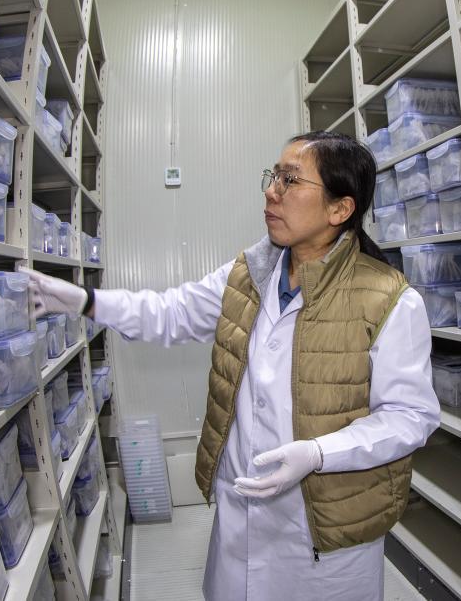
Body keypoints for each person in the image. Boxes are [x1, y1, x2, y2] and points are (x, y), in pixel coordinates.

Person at [22, 131, 440, 601]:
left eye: (290, 180)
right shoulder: (250, 274)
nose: (271, 192)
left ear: (339, 209)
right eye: (273, 176)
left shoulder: (389, 299)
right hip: (241, 514)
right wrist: (86, 301)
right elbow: (172, 313)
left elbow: (410, 417)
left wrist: (319, 453)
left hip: (325, 532)